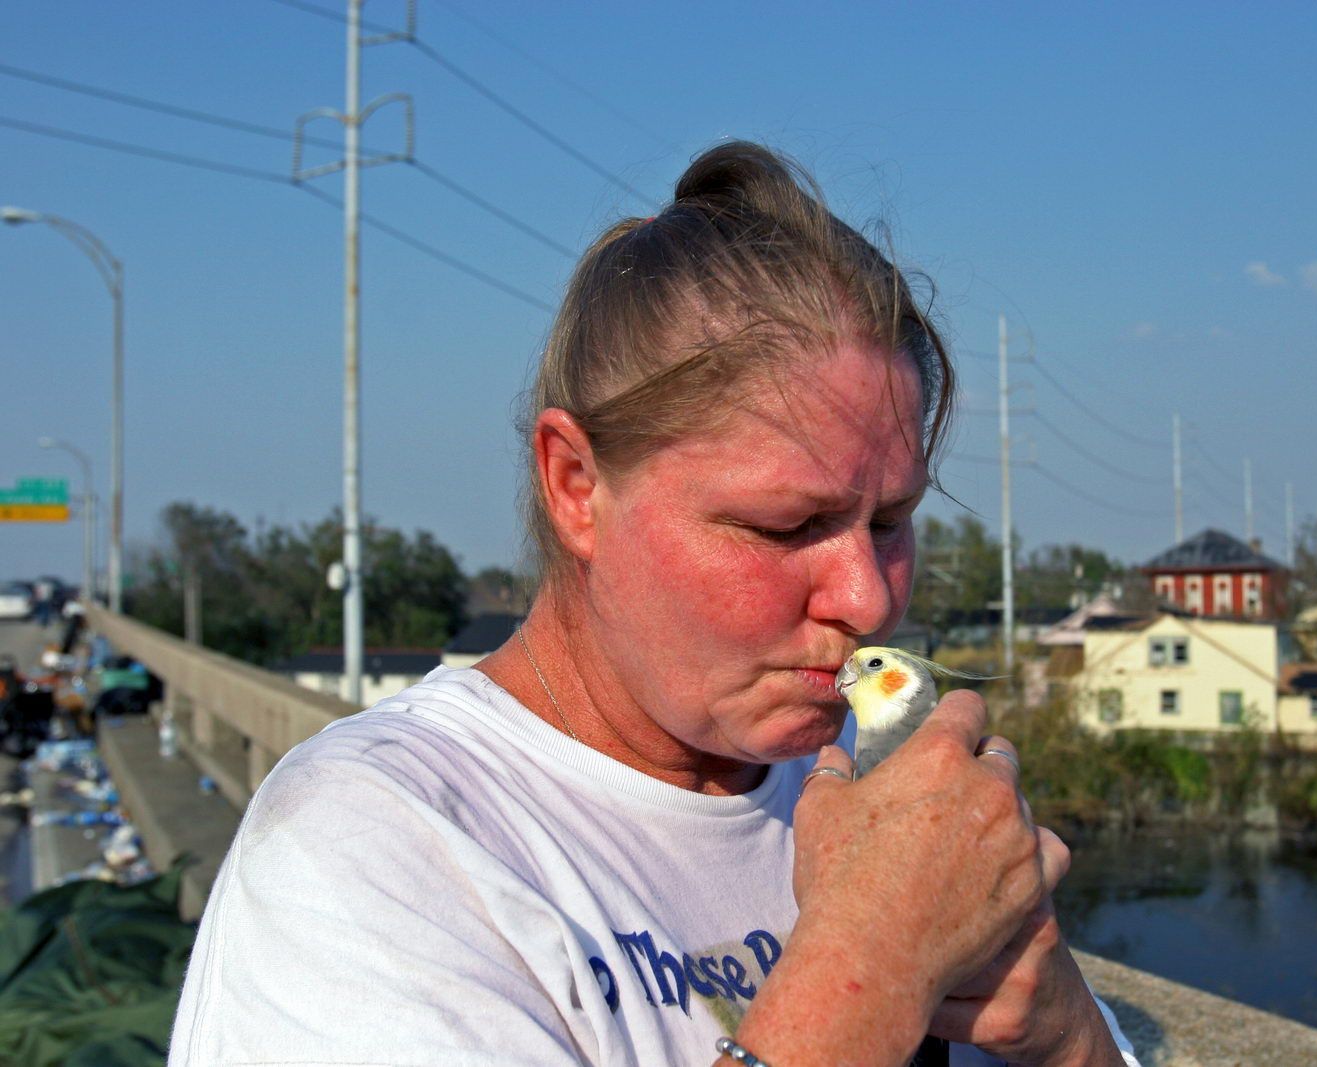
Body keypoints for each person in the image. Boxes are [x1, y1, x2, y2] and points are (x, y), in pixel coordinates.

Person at [169, 142, 1138, 1067]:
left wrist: (1062, 1027)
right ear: (576, 484)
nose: (867, 595)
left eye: (890, 519)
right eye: (784, 523)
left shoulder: (852, 790)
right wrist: (873, 963)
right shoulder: (373, 849)